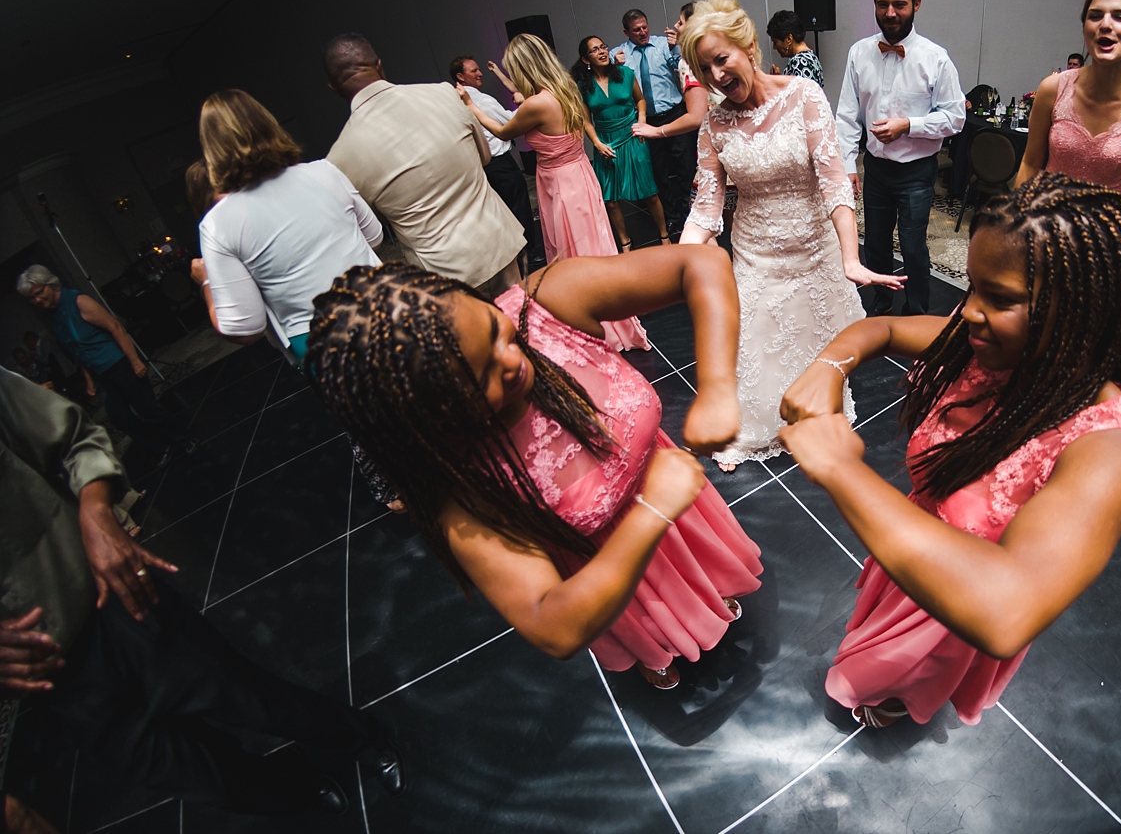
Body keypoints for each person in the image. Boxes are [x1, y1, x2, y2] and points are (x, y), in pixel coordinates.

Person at [777, 173, 1121, 728]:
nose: (969, 311)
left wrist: (839, 467)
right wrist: (830, 366)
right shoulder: (992, 341)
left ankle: (896, 701)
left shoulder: (1113, 450)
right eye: (972, 286)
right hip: (909, 543)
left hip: (963, 604)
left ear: (1081, 309)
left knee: (900, 678)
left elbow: (1006, 608)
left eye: (999, 298)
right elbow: (880, 331)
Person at [305, 251, 762, 691]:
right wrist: (653, 510)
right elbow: (553, 625)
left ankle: (706, 598)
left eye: (494, 329)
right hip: (607, 566)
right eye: (479, 375)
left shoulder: (547, 303)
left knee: (710, 582)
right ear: (431, 415)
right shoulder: (461, 492)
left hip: (683, 514)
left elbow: (699, 263)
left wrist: (718, 388)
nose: (511, 359)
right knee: (652, 636)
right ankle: (655, 651)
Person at [0, 368, 405, 814]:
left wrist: (96, 511)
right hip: (43, 676)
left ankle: (363, 737)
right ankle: (296, 788)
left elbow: (74, 436)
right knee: (190, 774)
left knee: (244, 699)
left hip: (107, 597)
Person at [679, 0, 900, 472]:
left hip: (815, 247)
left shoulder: (803, 94)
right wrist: (677, 263)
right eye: (705, 67)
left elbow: (834, 181)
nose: (717, 76)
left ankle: (814, 417)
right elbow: (706, 206)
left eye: (722, 59)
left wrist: (850, 258)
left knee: (814, 346)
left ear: (748, 46)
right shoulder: (714, 123)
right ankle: (755, 429)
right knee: (757, 345)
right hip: (755, 252)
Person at [460, 34, 648, 352]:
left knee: (574, 251)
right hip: (576, 173)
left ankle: (590, 313)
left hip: (562, 182)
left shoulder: (537, 104)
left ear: (524, 67)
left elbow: (503, 131)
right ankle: (605, 306)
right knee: (591, 243)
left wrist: (469, 105)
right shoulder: (564, 90)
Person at [324, 33, 526, 295]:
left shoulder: (339, 158)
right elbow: (485, 156)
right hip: (496, 240)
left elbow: (376, 227)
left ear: (333, 88)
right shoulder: (443, 93)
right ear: (380, 65)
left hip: (443, 273)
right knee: (525, 326)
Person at [189, 90, 383, 360]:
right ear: (268, 125)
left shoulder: (218, 223)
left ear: (212, 150)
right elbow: (374, 237)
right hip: (387, 307)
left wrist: (207, 282)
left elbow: (246, 328)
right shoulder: (324, 172)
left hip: (324, 341)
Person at [836, 0, 966, 317]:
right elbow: (847, 116)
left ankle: (917, 312)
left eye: (899, 4)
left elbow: (956, 118)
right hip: (875, 169)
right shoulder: (858, 53)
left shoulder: (935, 58)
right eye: (882, 4)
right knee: (874, 245)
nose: (890, 13)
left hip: (917, 171)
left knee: (912, 246)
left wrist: (909, 125)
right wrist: (847, 166)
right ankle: (879, 305)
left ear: (916, 4)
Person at [1014, 0, 1121, 231]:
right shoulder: (1054, 88)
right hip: (1045, 230)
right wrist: (1014, 228)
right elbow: (1030, 164)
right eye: (1095, 16)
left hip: (1102, 242)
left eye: (1120, 17)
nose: (1105, 24)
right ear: (1085, 27)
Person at [16, 266, 195, 469]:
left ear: (50, 284)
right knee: (121, 419)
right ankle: (161, 446)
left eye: (39, 293)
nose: (37, 300)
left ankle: (184, 439)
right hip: (101, 375)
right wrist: (89, 380)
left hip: (119, 363)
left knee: (149, 410)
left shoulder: (78, 301)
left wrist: (135, 360)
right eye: (32, 298)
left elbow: (116, 327)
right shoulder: (54, 317)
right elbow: (77, 351)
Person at [633, 3, 730, 239]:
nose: (675, 26)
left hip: (718, 143)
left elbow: (695, 116)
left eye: (680, 21)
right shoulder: (726, 49)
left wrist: (657, 132)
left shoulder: (691, 60)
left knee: (702, 223)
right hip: (735, 138)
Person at [571, 36, 669, 250]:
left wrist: (641, 120)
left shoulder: (625, 74)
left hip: (633, 136)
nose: (602, 52)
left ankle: (664, 236)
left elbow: (640, 100)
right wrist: (596, 143)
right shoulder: (583, 86)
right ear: (586, 59)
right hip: (605, 142)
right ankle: (625, 242)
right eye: (595, 50)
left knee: (650, 193)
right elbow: (585, 120)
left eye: (603, 47)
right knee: (611, 200)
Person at [611, 9, 693, 238]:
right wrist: (614, 66)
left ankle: (692, 214)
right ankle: (673, 218)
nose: (643, 32)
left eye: (645, 27)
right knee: (660, 173)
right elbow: (600, 77)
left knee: (685, 167)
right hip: (646, 120)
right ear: (626, 32)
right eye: (637, 30)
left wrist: (677, 46)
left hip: (674, 114)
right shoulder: (619, 54)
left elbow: (683, 67)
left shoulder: (663, 45)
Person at [451, 56, 536, 235]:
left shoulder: (452, 100)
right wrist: (526, 105)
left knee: (499, 212)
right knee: (517, 207)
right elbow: (510, 122)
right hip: (500, 164)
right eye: (474, 71)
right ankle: (529, 252)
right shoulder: (481, 101)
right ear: (460, 76)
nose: (480, 73)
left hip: (479, 165)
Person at [767, 10, 824, 85]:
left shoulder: (800, 62)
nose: (774, 47)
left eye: (775, 42)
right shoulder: (811, 58)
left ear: (789, 39)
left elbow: (800, 95)